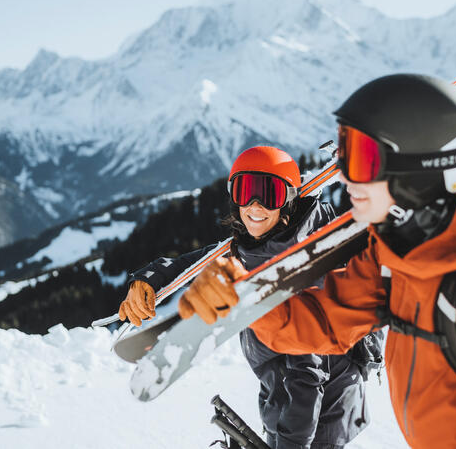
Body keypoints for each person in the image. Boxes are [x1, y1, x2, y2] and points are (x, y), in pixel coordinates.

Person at [178, 74, 456, 448]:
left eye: (359, 158)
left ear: (418, 172)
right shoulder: (396, 256)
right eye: (344, 155)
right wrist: (247, 300)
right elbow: (325, 321)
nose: (343, 176)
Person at [119, 145, 381, 449]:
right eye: (245, 192)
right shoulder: (263, 242)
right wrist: (151, 279)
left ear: (289, 200)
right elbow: (202, 260)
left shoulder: (302, 265)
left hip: (320, 414)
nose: (255, 205)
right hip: (283, 394)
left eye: (268, 194)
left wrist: (290, 445)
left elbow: (308, 378)